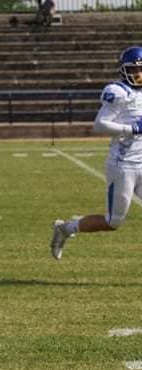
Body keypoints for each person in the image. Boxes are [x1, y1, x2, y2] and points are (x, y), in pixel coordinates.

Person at [51, 47, 142, 260]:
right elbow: (100, 125)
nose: (139, 74)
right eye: (135, 70)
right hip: (123, 165)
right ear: (124, 71)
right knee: (114, 221)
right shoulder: (118, 92)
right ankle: (65, 228)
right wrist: (131, 129)